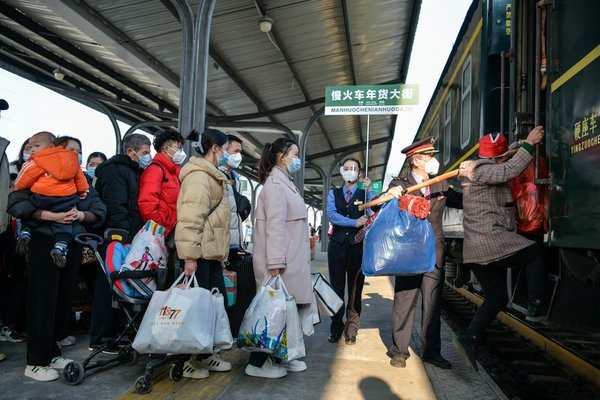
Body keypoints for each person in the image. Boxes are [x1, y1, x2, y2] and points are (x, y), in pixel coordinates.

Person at [8, 132, 106, 382]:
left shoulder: (79, 177)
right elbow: (17, 203)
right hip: (42, 241)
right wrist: (48, 216)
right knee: (42, 300)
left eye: (77, 152)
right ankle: (36, 361)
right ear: (55, 149)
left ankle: (52, 352)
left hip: (70, 243)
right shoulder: (34, 169)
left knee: (62, 300)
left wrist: (80, 216)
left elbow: (97, 209)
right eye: (70, 150)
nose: (73, 156)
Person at [452, 127, 547, 372]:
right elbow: (509, 168)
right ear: (493, 158)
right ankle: (536, 304)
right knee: (535, 253)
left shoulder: (481, 166)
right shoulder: (481, 171)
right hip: (490, 241)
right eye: (501, 156)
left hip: (476, 249)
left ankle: (469, 339)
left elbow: (506, 157)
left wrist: (519, 143)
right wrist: (529, 145)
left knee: (497, 297)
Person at [385, 137, 463, 369]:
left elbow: (459, 200)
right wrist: (395, 193)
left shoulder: (440, 184)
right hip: (409, 253)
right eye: (429, 156)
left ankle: (431, 352)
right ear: (416, 160)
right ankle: (399, 351)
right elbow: (388, 203)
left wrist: (476, 183)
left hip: (434, 253)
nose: (433, 160)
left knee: (432, 305)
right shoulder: (400, 183)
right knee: (404, 302)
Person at [246, 137, 312, 379]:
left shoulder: (284, 183)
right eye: (294, 154)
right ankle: (256, 362)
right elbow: (274, 227)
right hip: (281, 262)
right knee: (271, 312)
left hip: (290, 259)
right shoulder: (275, 185)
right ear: (282, 157)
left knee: (283, 311)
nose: (298, 159)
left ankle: (280, 356)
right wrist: (275, 263)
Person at [176, 128, 232, 379]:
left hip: (209, 253)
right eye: (227, 148)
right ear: (215, 149)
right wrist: (189, 257)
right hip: (198, 255)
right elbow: (190, 219)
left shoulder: (212, 176)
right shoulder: (199, 177)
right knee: (192, 309)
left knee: (208, 307)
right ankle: (184, 361)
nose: (229, 154)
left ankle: (204, 353)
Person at [90, 133, 151, 352]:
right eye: (144, 153)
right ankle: (102, 337)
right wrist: (123, 237)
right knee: (108, 286)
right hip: (117, 238)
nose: (148, 157)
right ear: (130, 151)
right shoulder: (114, 170)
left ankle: (116, 332)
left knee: (120, 285)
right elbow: (116, 206)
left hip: (130, 237)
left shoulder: (134, 171)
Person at [14, 133, 89, 267]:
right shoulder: (72, 161)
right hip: (65, 199)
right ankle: (61, 245)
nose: (32, 150)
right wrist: (83, 191)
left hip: (40, 196)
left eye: (36, 146)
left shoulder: (36, 161)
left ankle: (25, 231)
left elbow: (23, 181)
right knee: (65, 221)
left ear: (51, 146)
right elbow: (80, 178)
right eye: (31, 147)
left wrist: (21, 186)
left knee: (31, 211)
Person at [326, 158, 375, 345]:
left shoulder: (365, 193)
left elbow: (372, 214)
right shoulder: (334, 193)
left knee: (355, 289)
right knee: (336, 288)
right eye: (346, 168)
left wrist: (370, 192)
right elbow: (332, 215)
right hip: (337, 246)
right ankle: (336, 328)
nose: (350, 171)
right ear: (341, 171)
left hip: (358, 247)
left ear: (360, 173)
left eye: (353, 168)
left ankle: (352, 329)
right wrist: (354, 222)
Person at [138, 132, 184, 237]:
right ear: (166, 149)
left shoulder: (175, 172)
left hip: (173, 230)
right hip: (164, 233)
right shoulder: (155, 170)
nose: (181, 152)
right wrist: (161, 229)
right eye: (179, 147)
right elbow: (147, 203)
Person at [218, 134, 251, 263]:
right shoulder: (215, 174)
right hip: (220, 243)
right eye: (236, 151)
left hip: (234, 243)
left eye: (240, 152)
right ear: (224, 150)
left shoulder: (235, 177)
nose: (239, 156)